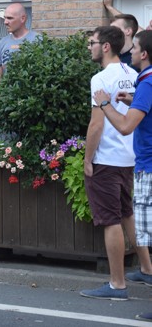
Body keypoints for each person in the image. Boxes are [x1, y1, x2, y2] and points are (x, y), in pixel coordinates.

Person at [80, 25, 150, 301]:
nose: (90, 47)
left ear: (106, 46)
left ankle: (117, 284)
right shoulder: (133, 74)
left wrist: (88, 158)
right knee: (127, 214)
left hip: (107, 158)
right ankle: (146, 267)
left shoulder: (100, 78)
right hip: (130, 157)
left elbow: (96, 125)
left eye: (93, 42)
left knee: (110, 220)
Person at [0, 3, 38, 86]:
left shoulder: (37, 40)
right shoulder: (2, 43)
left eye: (10, 18)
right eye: (5, 18)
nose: (5, 22)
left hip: (31, 95)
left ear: (23, 18)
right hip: (8, 95)